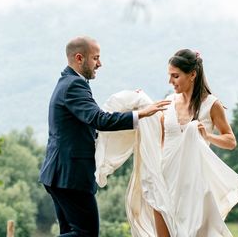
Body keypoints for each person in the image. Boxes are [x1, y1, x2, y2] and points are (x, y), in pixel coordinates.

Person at [94, 49, 238, 237]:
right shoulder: (169, 103)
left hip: (192, 183)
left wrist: (207, 135)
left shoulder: (212, 105)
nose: (170, 81)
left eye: (175, 76)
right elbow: (156, 133)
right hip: (163, 179)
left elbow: (230, 141)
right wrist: (141, 103)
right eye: (169, 76)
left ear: (192, 75)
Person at [39, 36, 170, 237]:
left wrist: (132, 102)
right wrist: (142, 113)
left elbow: (90, 119)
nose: (100, 64)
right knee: (86, 233)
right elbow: (99, 120)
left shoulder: (69, 83)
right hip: (70, 175)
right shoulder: (74, 85)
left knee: (70, 231)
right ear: (79, 58)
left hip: (59, 173)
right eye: (96, 58)